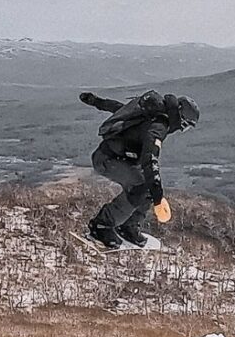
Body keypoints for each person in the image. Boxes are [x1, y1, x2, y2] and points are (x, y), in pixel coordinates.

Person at [79, 89, 199, 247]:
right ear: (181, 118)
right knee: (140, 188)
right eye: (186, 126)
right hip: (108, 159)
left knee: (146, 188)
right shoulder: (159, 125)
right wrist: (158, 197)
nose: (182, 129)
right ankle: (101, 226)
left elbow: (120, 109)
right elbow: (150, 158)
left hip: (116, 157)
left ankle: (128, 226)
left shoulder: (151, 112)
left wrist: (96, 101)